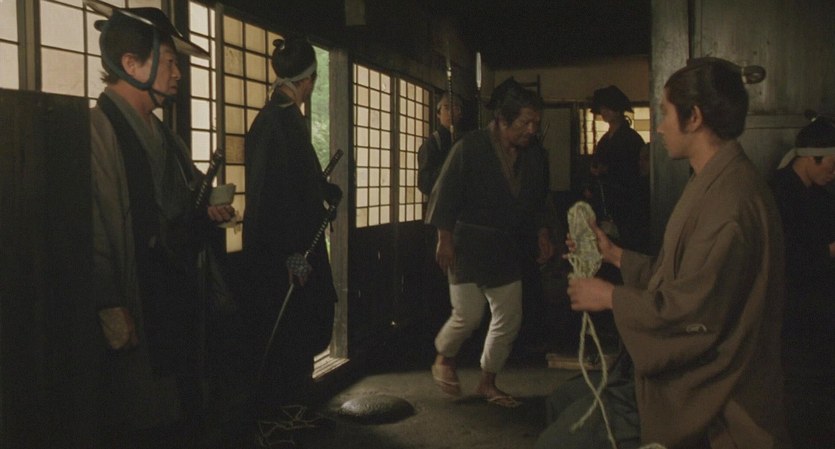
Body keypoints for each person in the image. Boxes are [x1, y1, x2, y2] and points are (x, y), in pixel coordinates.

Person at [550, 57, 792, 448]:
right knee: (563, 399)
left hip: (710, 387)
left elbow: (694, 315)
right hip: (694, 366)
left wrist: (611, 297)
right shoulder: (715, 180)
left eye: (665, 113)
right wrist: (615, 255)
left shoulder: (730, 204)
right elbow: (680, 276)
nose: (660, 127)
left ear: (693, 117)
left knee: (562, 439)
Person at [87, 0, 236, 447]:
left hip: (176, 289)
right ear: (131, 64)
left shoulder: (163, 133)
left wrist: (208, 207)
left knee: (183, 412)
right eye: (169, 62)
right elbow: (94, 224)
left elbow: (185, 198)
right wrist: (108, 302)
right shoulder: (98, 130)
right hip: (138, 293)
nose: (177, 73)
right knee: (143, 417)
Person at [426, 78, 554, 408]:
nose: (531, 130)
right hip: (467, 243)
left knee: (509, 317)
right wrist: (444, 239)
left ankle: (488, 382)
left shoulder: (534, 155)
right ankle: (444, 356)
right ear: (502, 120)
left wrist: (542, 233)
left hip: (505, 245)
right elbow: (445, 192)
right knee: (468, 315)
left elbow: (539, 199)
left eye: (536, 123)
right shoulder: (470, 147)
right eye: (525, 122)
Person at [242, 34, 340, 435]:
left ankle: (296, 407)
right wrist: (288, 254)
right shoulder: (273, 122)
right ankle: (277, 418)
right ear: (309, 80)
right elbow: (267, 199)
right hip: (281, 254)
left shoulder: (288, 118)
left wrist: (324, 190)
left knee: (305, 326)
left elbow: (298, 181)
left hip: (299, 246)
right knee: (285, 333)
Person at [771, 114, 835, 447]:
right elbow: (783, 257)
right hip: (792, 313)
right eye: (832, 166)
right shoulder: (777, 193)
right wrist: (828, 251)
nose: (833, 174)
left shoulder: (821, 195)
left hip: (818, 310)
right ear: (812, 158)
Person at [585, 85, 648, 253]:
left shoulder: (631, 139)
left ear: (619, 110)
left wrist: (608, 170)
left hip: (626, 203)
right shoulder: (605, 139)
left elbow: (637, 171)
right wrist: (592, 182)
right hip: (604, 201)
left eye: (608, 108)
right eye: (602, 108)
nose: (604, 112)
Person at [418, 92, 464, 196]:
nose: (451, 113)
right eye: (446, 108)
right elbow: (424, 183)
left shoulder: (464, 140)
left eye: (456, 108)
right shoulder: (432, 143)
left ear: (460, 114)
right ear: (438, 114)